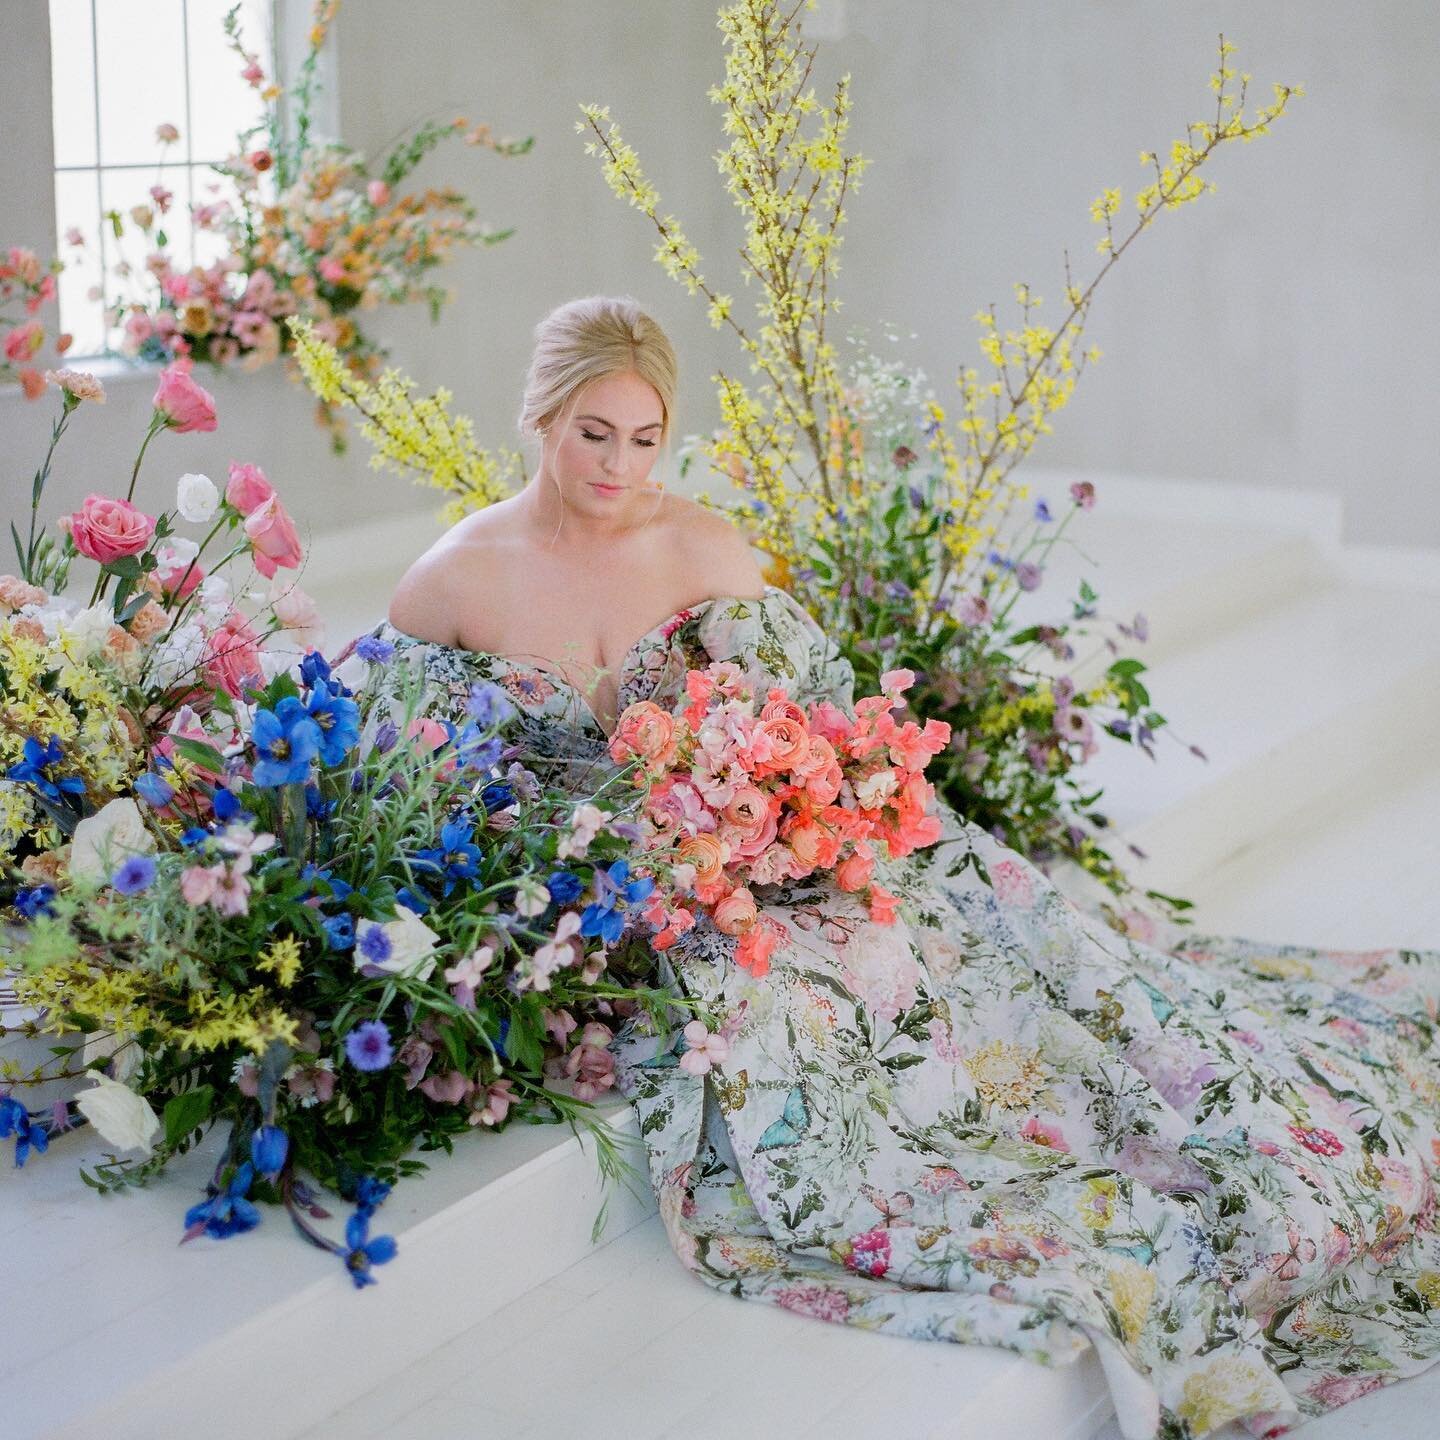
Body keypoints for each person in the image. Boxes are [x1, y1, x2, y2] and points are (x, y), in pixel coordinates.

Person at [365, 296, 1440, 1440]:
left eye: (644, 437)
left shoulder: (700, 547)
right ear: (542, 416)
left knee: (996, 1011)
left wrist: (778, 820)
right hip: (600, 898)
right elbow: (415, 787)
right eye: (594, 433)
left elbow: (828, 735)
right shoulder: (450, 583)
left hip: (770, 873)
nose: (619, 464)